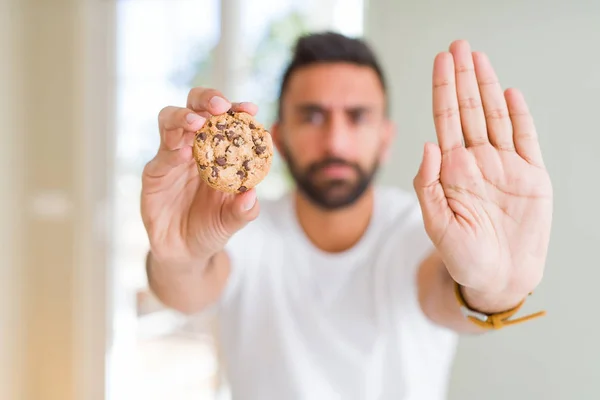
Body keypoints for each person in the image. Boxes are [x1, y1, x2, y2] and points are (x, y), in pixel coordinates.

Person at [140, 32, 553, 399]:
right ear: (277, 140)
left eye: (357, 117)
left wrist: (495, 290)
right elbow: (187, 289)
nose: (335, 140)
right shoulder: (241, 226)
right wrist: (178, 256)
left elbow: (447, 296)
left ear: (385, 139)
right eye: (313, 116)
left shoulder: (428, 227)